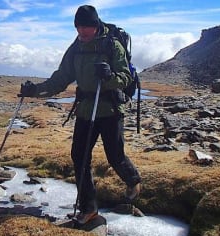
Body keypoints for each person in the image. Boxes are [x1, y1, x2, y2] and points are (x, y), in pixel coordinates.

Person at [18, 5, 141, 224]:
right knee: (80, 157)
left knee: (115, 156)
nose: (83, 31)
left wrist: (109, 75)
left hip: (110, 109)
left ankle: (133, 180)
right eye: (79, 26)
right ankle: (89, 209)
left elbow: (125, 77)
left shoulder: (111, 45)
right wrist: (34, 90)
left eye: (88, 26)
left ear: (96, 25)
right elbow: (60, 78)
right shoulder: (75, 49)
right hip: (86, 109)